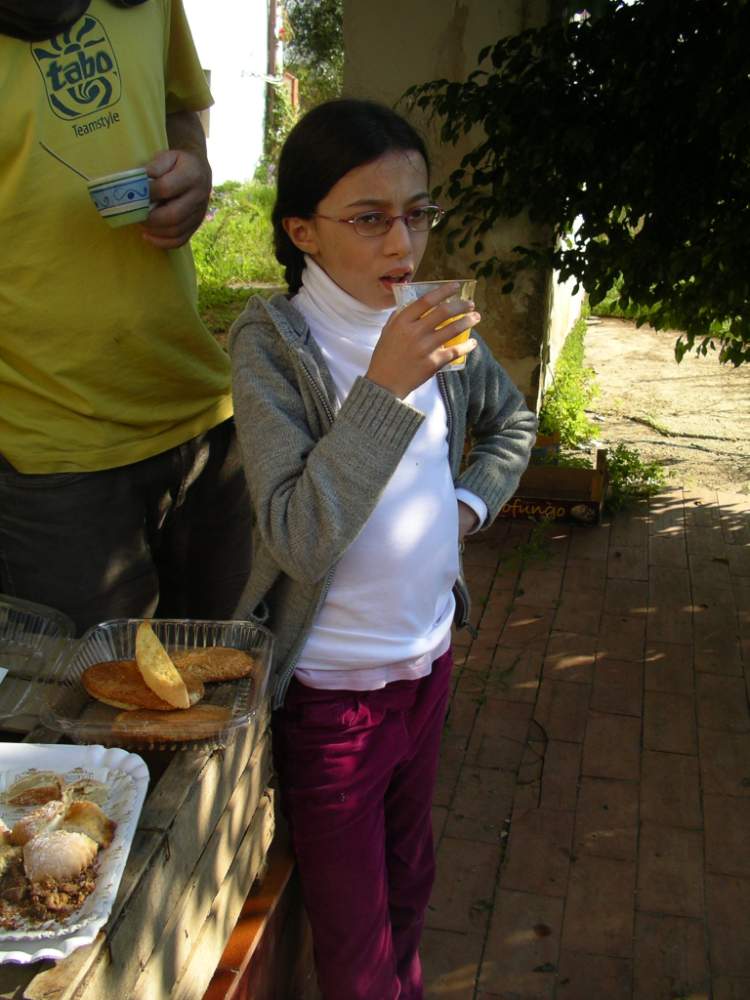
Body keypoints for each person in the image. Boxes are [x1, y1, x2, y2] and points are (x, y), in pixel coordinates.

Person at [228, 98, 537, 1000]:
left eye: (417, 212)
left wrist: (466, 508)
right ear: (303, 231)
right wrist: (386, 388)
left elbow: (510, 422)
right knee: (355, 944)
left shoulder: (436, 322)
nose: (402, 243)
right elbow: (297, 535)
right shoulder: (273, 345)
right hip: (332, 697)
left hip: (429, 664)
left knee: (411, 884)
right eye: (369, 218)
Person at [0, 0, 252, 633]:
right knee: (94, 692)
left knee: (230, 674)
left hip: (198, 412)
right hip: (49, 453)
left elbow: (178, 109)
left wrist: (193, 169)